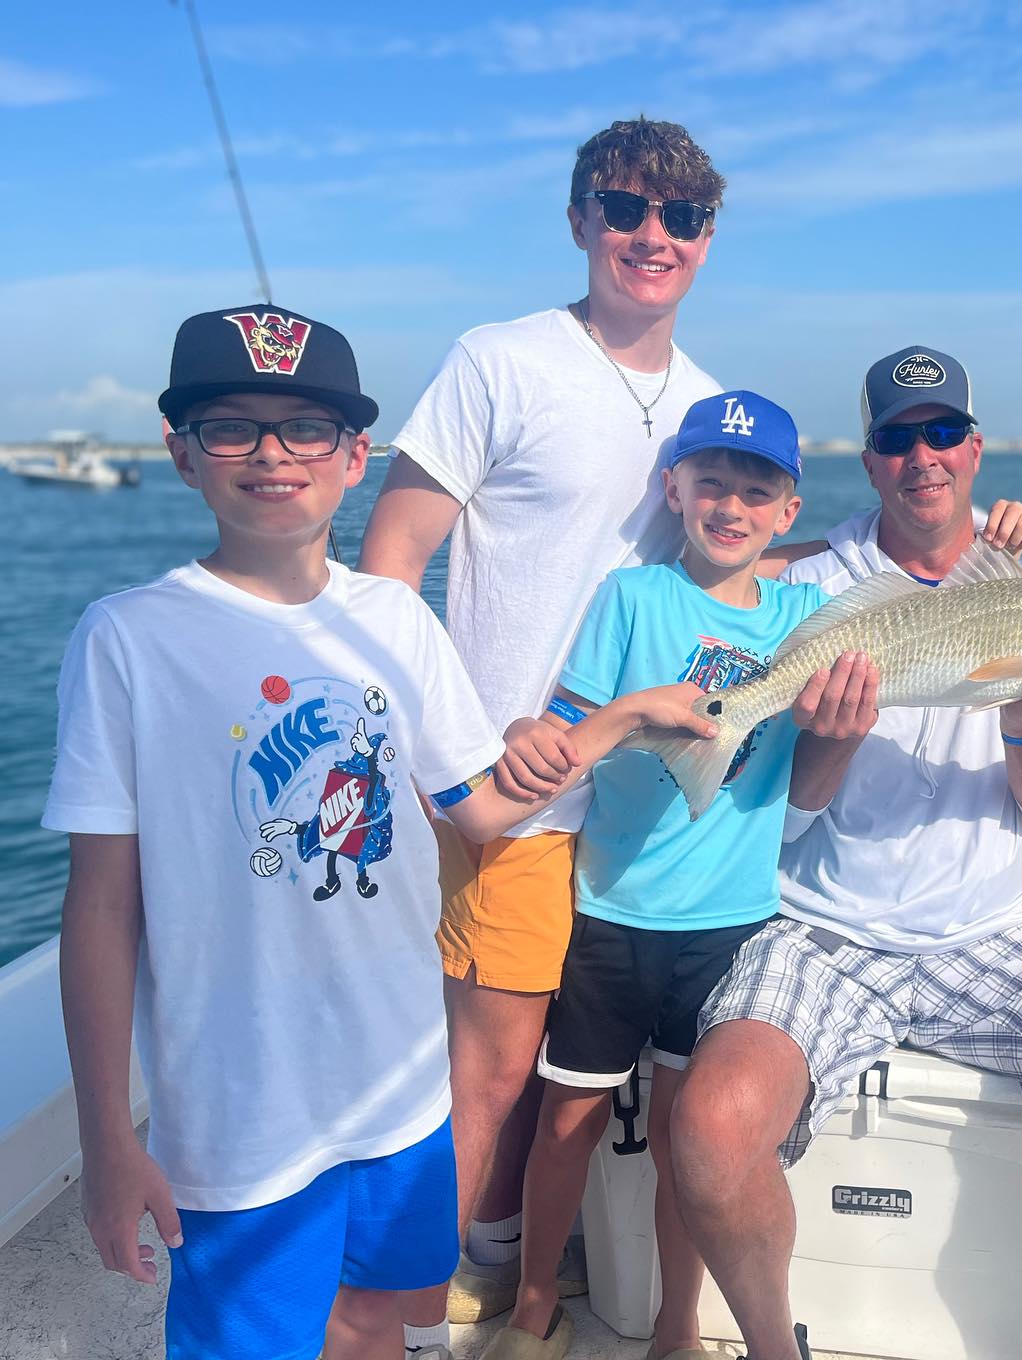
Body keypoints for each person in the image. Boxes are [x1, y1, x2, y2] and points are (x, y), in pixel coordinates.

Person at [45, 305, 713, 1360]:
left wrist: (612, 723)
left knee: (378, 1320)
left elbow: (481, 804)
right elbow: (101, 903)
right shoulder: (128, 637)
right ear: (180, 452)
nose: (273, 453)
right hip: (239, 1113)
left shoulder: (400, 621)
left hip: (403, 1091)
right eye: (232, 426)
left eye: (307, 428)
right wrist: (104, 1134)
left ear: (359, 457)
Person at [670, 347, 1022, 1360]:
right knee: (709, 1126)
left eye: (944, 434)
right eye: (899, 438)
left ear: (976, 449)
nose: (923, 456)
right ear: (871, 459)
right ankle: (773, 1349)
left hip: (994, 928)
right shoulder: (812, 583)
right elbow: (790, 819)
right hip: (828, 926)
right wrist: (833, 732)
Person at [357, 117, 726, 1355]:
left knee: (575, 1081)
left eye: (679, 217)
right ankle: (394, 1318)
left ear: (708, 238)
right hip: (512, 799)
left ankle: (511, 1258)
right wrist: (456, 754)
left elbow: (739, 566)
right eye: (625, 209)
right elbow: (390, 564)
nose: (651, 236)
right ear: (580, 219)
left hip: (644, 813)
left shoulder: (706, 403)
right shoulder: (499, 358)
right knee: (491, 1077)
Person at [480, 390, 841, 1360]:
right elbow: (567, 728)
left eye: (755, 491)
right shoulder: (632, 598)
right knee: (568, 1121)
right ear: (674, 489)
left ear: (787, 511)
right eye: (711, 483)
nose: (731, 505)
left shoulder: (810, 617)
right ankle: (532, 1299)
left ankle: (678, 1324)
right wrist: (545, 731)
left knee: (690, 1134)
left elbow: (898, 587)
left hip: (733, 926)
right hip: (613, 908)